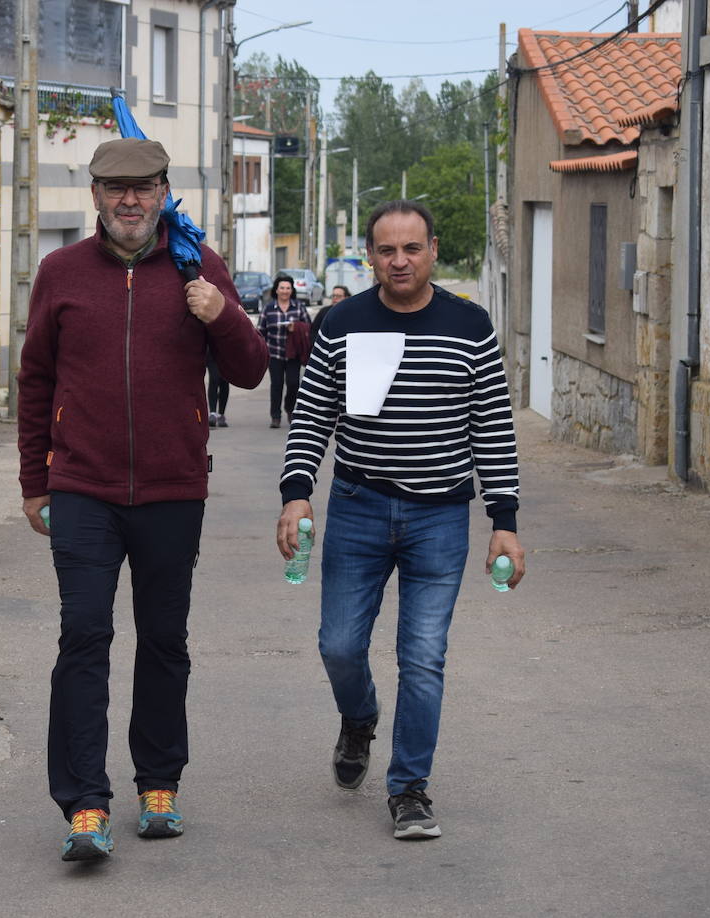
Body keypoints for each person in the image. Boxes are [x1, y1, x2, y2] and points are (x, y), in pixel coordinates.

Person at [17, 137, 268, 862]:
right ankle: (85, 805)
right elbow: (36, 381)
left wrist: (219, 312)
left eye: (145, 186)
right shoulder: (61, 273)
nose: (130, 200)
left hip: (171, 490)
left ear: (164, 192)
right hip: (83, 490)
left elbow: (250, 372)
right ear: (94, 196)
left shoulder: (200, 266)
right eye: (115, 188)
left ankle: (159, 784)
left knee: (164, 642)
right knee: (84, 638)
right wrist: (36, 479)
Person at [276, 200, 525, 840]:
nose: (399, 261)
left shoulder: (470, 326)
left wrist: (505, 518)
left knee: (422, 658)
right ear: (371, 256)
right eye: (386, 250)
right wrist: (298, 492)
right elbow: (312, 414)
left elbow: (493, 429)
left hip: (440, 518)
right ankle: (358, 718)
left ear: (433, 250)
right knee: (338, 645)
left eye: (411, 248)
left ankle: (410, 787)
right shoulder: (343, 322)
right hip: (358, 509)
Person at [257, 273, 312, 428]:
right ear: (276, 290)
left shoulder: (299, 307)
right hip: (274, 353)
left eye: (288, 288)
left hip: (293, 353)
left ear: (291, 290)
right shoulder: (268, 309)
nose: (285, 291)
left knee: (293, 383)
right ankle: (275, 416)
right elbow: (261, 331)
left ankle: (290, 408)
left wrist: (297, 327)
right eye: (282, 288)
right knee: (277, 385)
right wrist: (261, 351)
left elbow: (309, 326)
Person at [207, 346, 230, 428]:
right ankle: (212, 413)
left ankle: (221, 414)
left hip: (227, 351)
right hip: (211, 350)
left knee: (224, 381)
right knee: (214, 379)